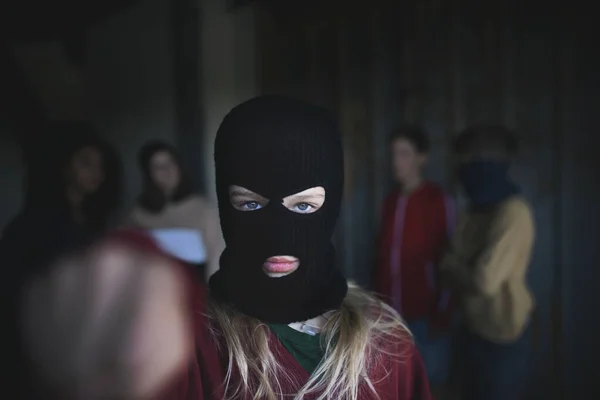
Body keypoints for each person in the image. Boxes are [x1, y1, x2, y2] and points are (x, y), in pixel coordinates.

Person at [20, 96, 432, 400]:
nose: (276, 231)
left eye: (304, 205)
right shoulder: (188, 343)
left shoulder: (386, 344)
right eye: (250, 204)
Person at [1, 121, 121, 398]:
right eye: (86, 163)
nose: (97, 173)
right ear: (64, 165)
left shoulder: (92, 225)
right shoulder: (29, 228)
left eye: (99, 165)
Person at [440, 125, 535, 400]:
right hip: (470, 329)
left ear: (488, 165)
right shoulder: (473, 212)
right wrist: (460, 266)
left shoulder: (514, 213)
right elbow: (446, 267)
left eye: (469, 162)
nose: (462, 171)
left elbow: (485, 281)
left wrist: (455, 266)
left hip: (504, 336)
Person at [373, 125, 456, 392]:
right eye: (393, 154)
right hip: (390, 316)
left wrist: (442, 311)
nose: (397, 162)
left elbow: (450, 258)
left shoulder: (436, 200)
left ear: (422, 157)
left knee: (430, 385)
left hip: (425, 315)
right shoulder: (391, 201)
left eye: (404, 154)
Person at [128, 140, 223, 281]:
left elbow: (215, 259)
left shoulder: (203, 208)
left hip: (195, 289)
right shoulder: (138, 213)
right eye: (158, 167)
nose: (166, 171)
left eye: (170, 163)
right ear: (148, 173)